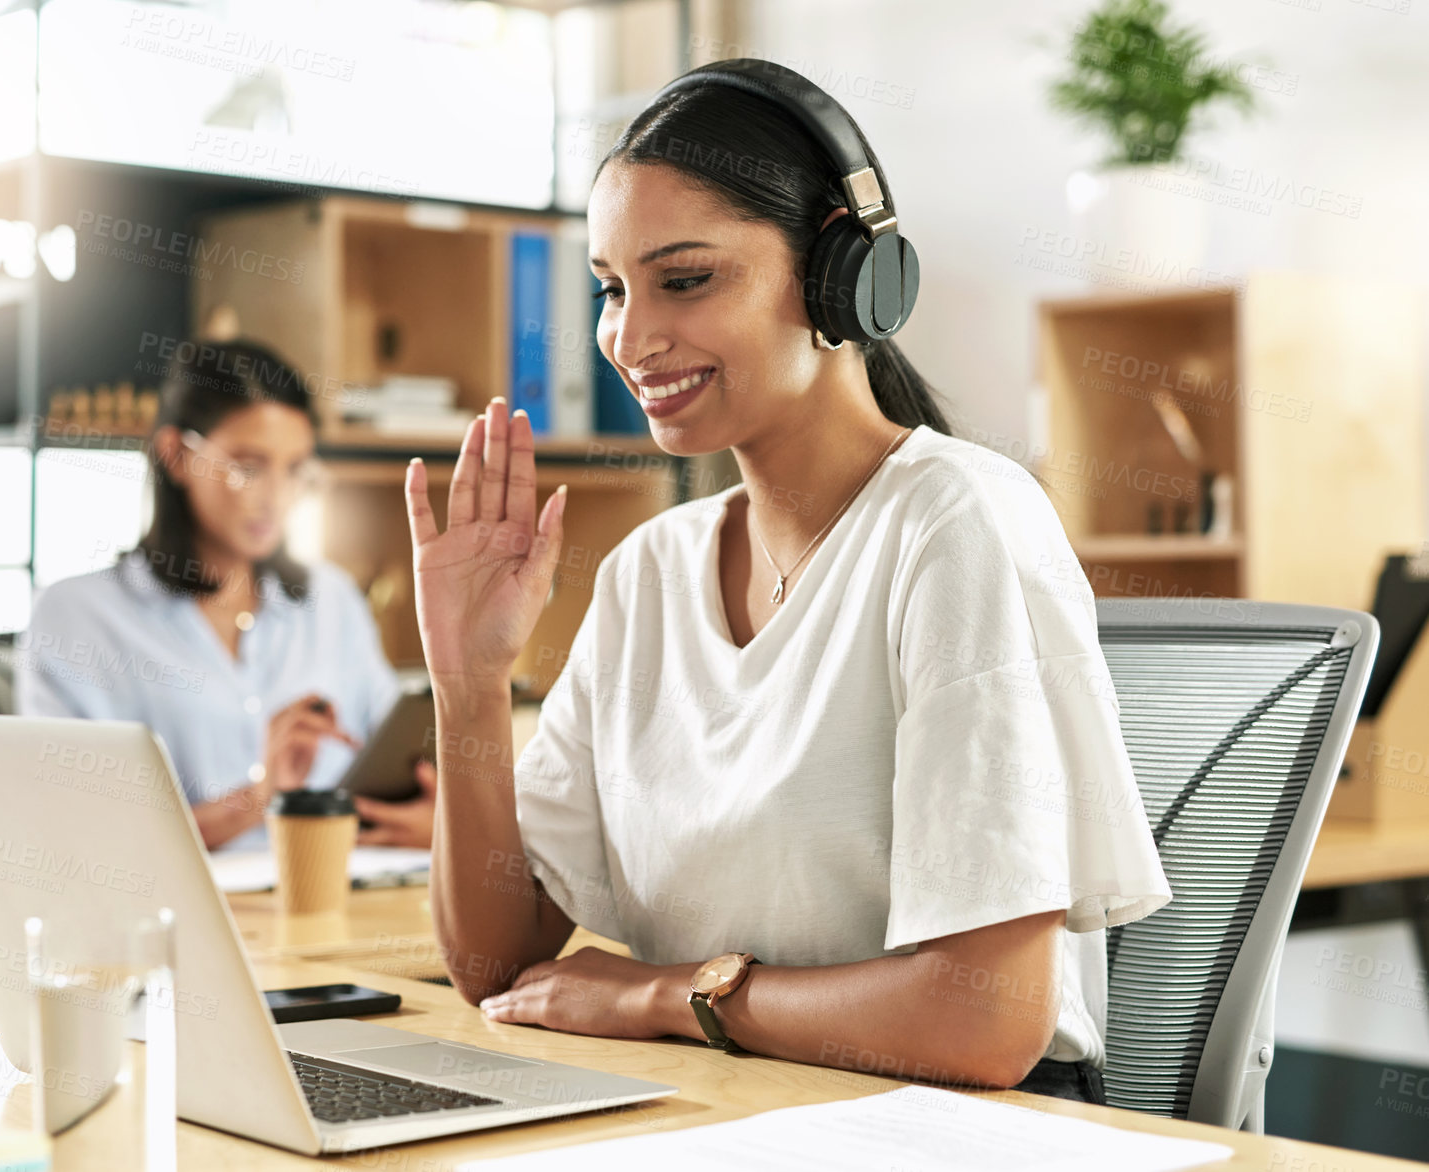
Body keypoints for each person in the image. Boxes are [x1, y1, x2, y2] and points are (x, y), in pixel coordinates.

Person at [404, 61, 1169, 1106]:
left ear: (838, 277)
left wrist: (666, 995)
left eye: (683, 279)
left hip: (948, 1131)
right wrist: (468, 684)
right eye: (609, 289)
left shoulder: (955, 523)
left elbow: (982, 1019)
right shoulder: (646, 574)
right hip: (720, 1112)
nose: (628, 336)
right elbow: (498, 969)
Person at [17, 339, 436, 851]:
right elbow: (76, 842)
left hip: (335, 903)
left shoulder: (331, 601)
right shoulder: (77, 618)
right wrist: (258, 798)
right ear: (175, 454)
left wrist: (434, 818)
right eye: (248, 466)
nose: (275, 497)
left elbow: (397, 756)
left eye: (295, 469)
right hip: (177, 919)